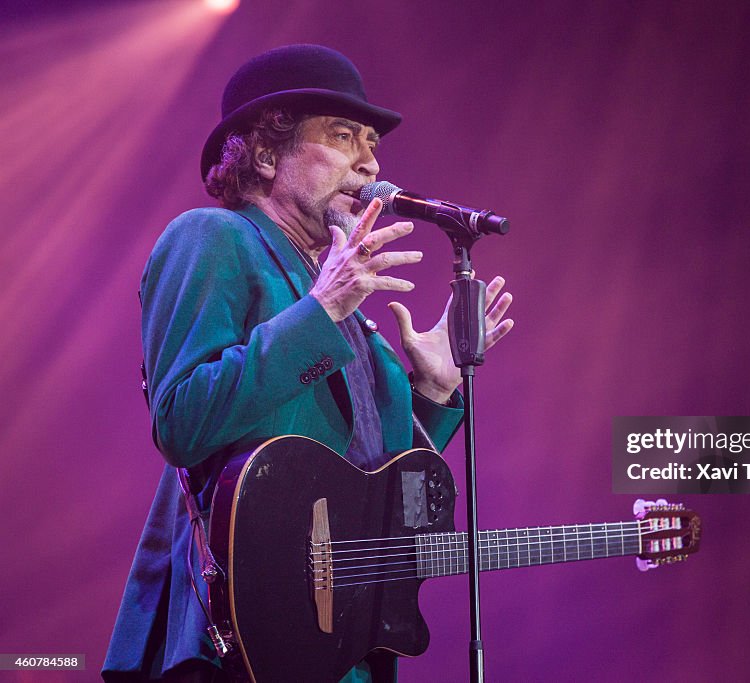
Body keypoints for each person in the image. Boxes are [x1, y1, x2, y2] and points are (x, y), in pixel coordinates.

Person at [102, 44, 513, 682]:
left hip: (336, 645)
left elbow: (370, 499)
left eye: (372, 142)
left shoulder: (348, 309)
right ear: (266, 154)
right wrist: (320, 312)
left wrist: (433, 393)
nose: (371, 162)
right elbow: (181, 422)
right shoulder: (213, 238)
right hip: (236, 639)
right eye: (344, 136)